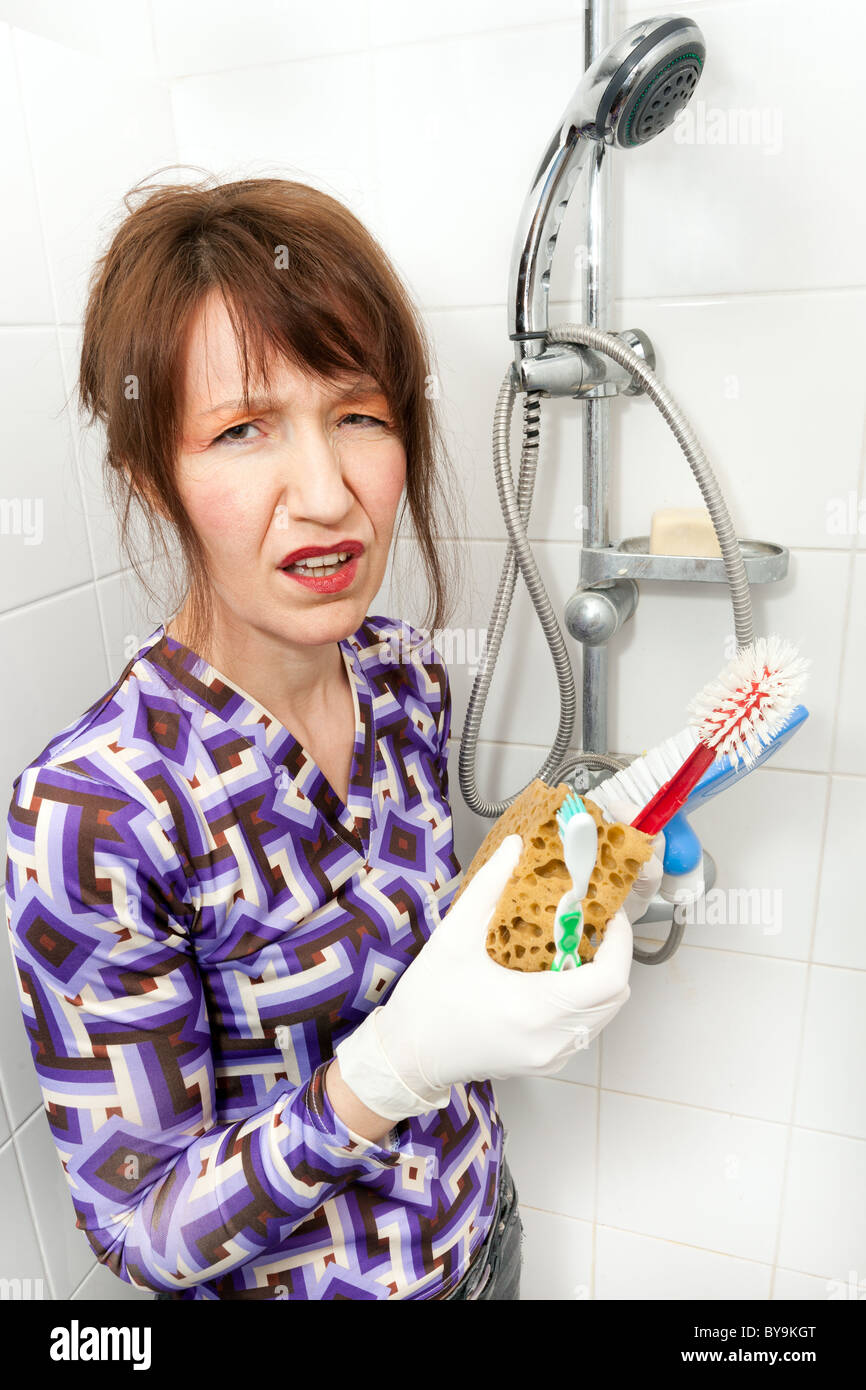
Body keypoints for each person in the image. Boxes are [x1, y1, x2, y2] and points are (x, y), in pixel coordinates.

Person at [4, 174, 661, 1300]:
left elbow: (413, 947)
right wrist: (385, 1074)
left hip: (480, 1238)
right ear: (150, 475)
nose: (325, 492)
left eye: (359, 413)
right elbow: (141, 1228)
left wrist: (550, 891)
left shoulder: (401, 672)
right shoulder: (93, 810)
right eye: (241, 429)